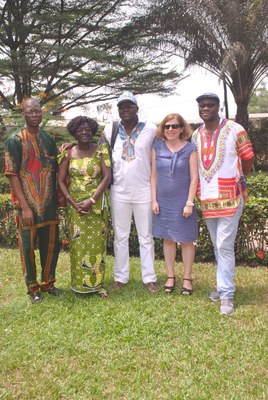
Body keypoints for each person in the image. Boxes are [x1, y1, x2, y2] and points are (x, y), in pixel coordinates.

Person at [192, 93, 254, 315]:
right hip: (207, 198)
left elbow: (248, 157)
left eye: (210, 105)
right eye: (202, 106)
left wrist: (241, 178)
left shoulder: (235, 129)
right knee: (218, 245)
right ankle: (221, 286)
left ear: (218, 107)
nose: (205, 108)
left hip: (230, 196)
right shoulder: (196, 134)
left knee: (224, 245)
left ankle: (227, 295)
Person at [102, 91, 160, 293]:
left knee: (146, 236)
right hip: (119, 191)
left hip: (144, 190)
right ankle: (120, 277)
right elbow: (99, 152)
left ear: (137, 108)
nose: (125, 109)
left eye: (129, 106)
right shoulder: (111, 129)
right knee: (120, 237)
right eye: (121, 107)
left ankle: (149, 278)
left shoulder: (150, 129)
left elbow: (163, 149)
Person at [4, 98, 60, 303]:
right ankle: (32, 287)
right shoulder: (15, 140)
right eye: (30, 112)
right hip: (27, 204)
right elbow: (12, 174)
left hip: (49, 202)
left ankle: (48, 283)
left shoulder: (47, 138)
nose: (35, 115)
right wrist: (25, 207)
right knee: (27, 248)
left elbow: (56, 164)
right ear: (24, 113)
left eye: (37, 111)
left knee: (51, 244)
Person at [57, 116, 111, 297]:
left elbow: (107, 177)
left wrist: (92, 201)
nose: (84, 132)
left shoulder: (100, 150)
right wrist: (72, 203)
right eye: (80, 130)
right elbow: (60, 180)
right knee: (78, 245)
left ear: (92, 131)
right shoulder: (68, 153)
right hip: (75, 207)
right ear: (74, 133)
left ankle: (96, 285)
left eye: (87, 129)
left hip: (95, 206)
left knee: (96, 245)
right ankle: (79, 284)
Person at [151, 113, 198, 294]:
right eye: (167, 126)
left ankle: (187, 278)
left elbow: (194, 178)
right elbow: (153, 175)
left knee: (186, 240)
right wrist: (154, 200)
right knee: (168, 238)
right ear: (163, 129)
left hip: (183, 202)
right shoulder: (157, 147)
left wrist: (189, 202)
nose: (170, 129)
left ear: (182, 129)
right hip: (163, 202)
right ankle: (170, 276)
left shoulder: (190, 148)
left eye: (174, 126)